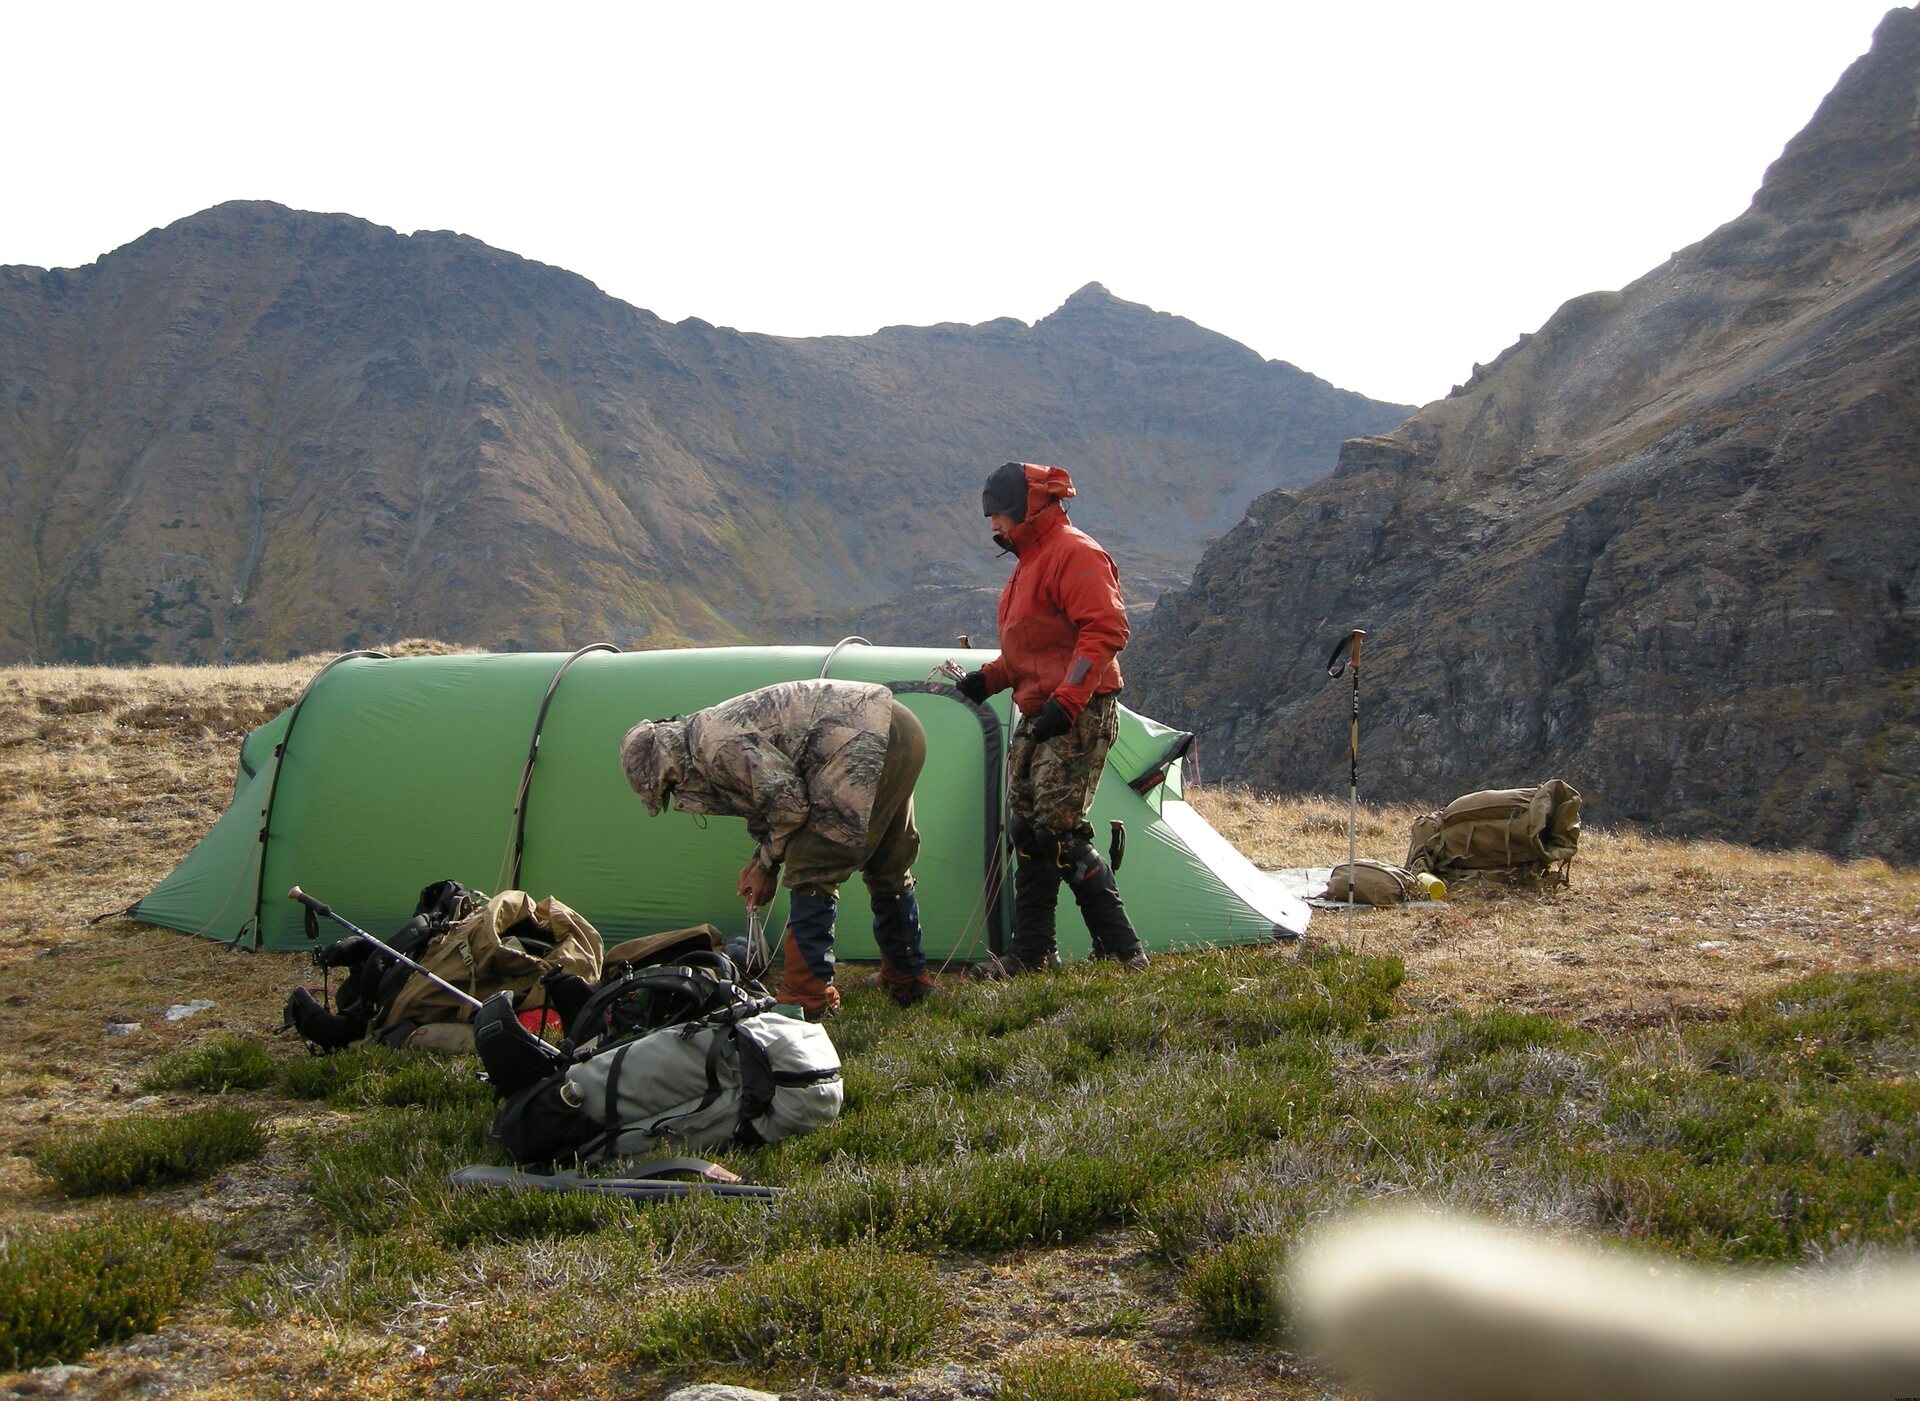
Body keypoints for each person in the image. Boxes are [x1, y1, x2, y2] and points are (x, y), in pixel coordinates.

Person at [618, 678, 933, 1016]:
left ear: (667, 764)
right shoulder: (703, 734)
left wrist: (767, 867)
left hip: (862, 739)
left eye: (669, 787)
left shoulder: (715, 748)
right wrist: (760, 861)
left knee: (811, 866)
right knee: (888, 860)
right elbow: (767, 801)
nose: (678, 793)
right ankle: (907, 977)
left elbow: (790, 806)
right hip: (897, 727)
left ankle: (807, 997)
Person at [955, 461, 1148, 975]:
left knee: (1056, 832)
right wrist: (989, 679)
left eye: (998, 513)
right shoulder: (1030, 563)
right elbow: (1034, 649)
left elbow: (1106, 629)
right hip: (1041, 709)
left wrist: (1068, 701)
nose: (993, 524)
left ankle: (1124, 953)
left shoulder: (1075, 553)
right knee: (1027, 829)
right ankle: (1033, 953)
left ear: (1026, 507)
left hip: (1079, 709)